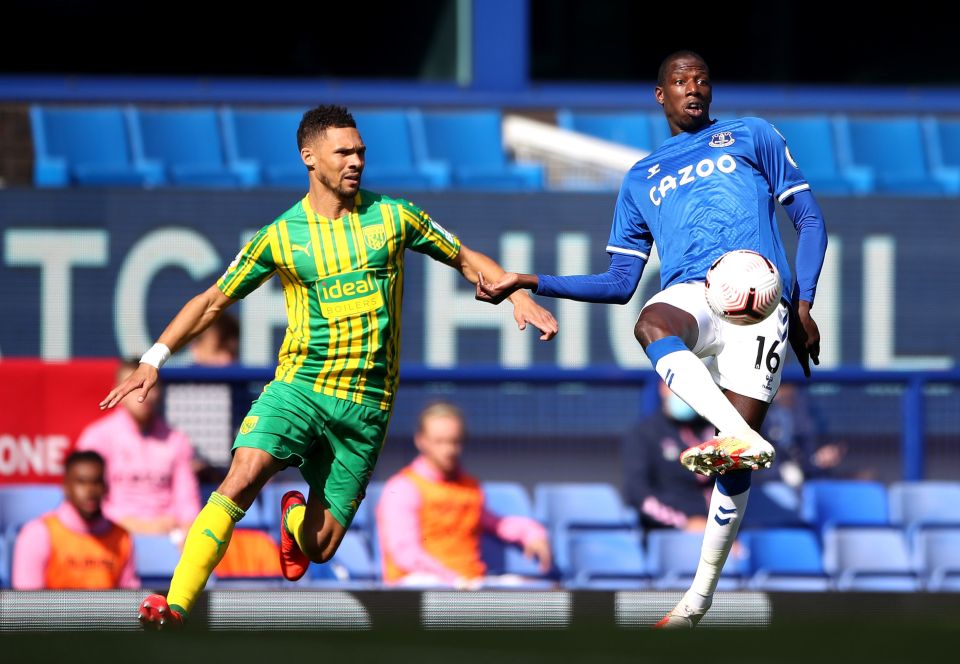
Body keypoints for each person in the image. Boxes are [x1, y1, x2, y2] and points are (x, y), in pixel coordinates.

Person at [99, 104, 558, 629]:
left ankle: (294, 517)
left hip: (366, 407)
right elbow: (211, 302)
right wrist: (153, 358)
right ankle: (175, 603)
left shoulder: (393, 217)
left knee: (319, 547)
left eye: (361, 151)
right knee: (243, 475)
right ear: (310, 158)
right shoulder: (282, 236)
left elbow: (464, 256)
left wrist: (514, 293)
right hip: (300, 386)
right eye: (344, 152)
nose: (356, 160)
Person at [477, 51, 826, 628]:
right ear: (660, 95)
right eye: (680, 81)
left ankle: (697, 601)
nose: (693, 88)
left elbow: (809, 220)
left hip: (763, 303)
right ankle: (742, 434)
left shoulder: (752, 135)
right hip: (695, 293)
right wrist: (530, 279)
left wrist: (806, 302)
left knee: (731, 468)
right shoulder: (643, 177)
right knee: (650, 322)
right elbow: (620, 283)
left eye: (702, 80)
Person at [377, 402, 551, 587]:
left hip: (470, 583)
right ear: (420, 441)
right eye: (440, 441)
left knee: (533, 591)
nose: (449, 450)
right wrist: (453, 580)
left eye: (454, 441)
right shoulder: (403, 487)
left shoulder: (469, 487)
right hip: (421, 586)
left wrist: (532, 533)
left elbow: (494, 522)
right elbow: (406, 553)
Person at [78, 359, 201, 538]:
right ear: (118, 391)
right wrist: (129, 524)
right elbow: (89, 498)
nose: (144, 393)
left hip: (169, 536)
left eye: (150, 386)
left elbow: (187, 500)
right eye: (135, 386)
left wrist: (188, 529)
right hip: (111, 533)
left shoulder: (177, 440)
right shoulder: (97, 438)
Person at [12, 450, 139, 590]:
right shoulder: (38, 534)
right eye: (81, 482)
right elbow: (26, 604)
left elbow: (129, 599)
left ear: (105, 486)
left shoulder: (122, 538)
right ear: (66, 486)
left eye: (96, 482)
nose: (90, 491)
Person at [622, 382, 716, 532]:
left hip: (720, 529)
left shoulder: (714, 430)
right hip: (670, 533)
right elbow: (637, 493)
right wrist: (684, 523)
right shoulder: (644, 433)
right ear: (663, 388)